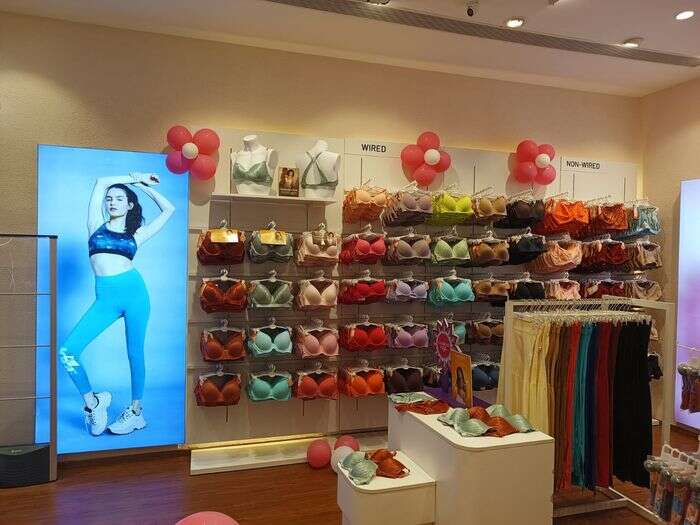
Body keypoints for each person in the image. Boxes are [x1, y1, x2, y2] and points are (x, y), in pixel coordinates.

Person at [59, 172, 174, 436]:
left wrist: (143, 186)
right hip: (106, 300)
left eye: (119, 199)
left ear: (130, 205)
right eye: (109, 199)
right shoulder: (95, 224)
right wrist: (134, 176)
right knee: (67, 352)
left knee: (135, 353)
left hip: (135, 295)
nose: (112, 202)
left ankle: (136, 411)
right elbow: (100, 182)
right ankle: (93, 402)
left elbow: (169, 209)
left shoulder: (137, 235)